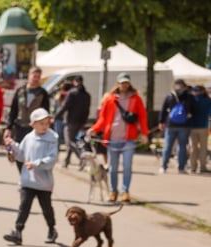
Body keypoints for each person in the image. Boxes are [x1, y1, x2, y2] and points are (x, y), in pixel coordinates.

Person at [87, 72, 149, 203]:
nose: (124, 85)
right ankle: (113, 191)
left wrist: (144, 133)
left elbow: (142, 117)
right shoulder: (110, 99)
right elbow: (102, 118)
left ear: (129, 83)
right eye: (122, 82)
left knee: (127, 166)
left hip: (129, 139)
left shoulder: (136, 99)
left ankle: (125, 191)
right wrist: (95, 129)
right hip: (112, 139)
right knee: (113, 168)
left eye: (126, 82)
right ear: (117, 83)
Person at [2, 108, 59, 245]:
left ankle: (51, 228)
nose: (45, 126)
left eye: (47, 123)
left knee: (46, 208)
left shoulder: (52, 138)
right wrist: (13, 146)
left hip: (43, 182)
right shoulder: (28, 137)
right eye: (41, 123)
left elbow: (52, 159)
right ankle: (18, 232)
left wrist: (36, 164)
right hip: (27, 181)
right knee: (24, 207)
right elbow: (21, 155)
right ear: (33, 124)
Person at [4, 66, 50, 172]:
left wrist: (45, 127)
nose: (36, 78)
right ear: (29, 76)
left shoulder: (43, 93)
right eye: (34, 76)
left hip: (35, 129)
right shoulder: (20, 91)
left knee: (33, 153)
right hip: (20, 127)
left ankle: (29, 177)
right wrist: (8, 128)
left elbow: (46, 112)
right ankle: (23, 174)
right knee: (18, 153)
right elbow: (13, 111)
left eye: (38, 76)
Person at [158, 79, 197, 174]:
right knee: (182, 147)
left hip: (171, 124)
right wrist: (190, 116)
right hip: (185, 125)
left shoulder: (169, 96)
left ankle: (164, 166)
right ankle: (181, 167)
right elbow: (195, 110)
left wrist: (161, 121)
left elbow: (163, 109)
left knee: (168, 146)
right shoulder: (189, 96)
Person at [55, 75, 91, 168]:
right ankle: (66, 161)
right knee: (73, 140)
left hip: (70, 121)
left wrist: (55, 116)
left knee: (69, 142)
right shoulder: (87, 95)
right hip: (81, 121)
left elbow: (64, 106)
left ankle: (81, 157)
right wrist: (84, 122)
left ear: (75, 82)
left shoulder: (72, 93)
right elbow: (87, 110)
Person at [188, 84, 210, 174]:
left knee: (193, 148)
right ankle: (202, 167)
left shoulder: (191, 100)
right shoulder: (208, 100)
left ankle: (193, 167)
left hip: (192, 126)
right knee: (203, 148)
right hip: (203, 126)